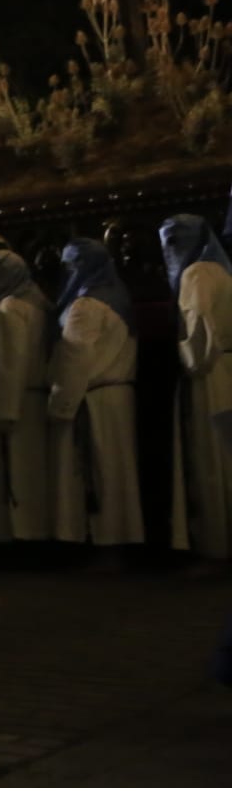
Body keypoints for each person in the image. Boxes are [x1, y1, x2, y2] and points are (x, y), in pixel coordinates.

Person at [48, 238, 142, 554]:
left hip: (92, 398)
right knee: (116, 473)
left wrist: (62, 404)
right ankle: (116, 542)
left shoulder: (85, 306)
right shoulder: (118, 297)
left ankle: (104, 545)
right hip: (116, 397)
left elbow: (75, 358)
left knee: (98, 472)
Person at [161, 216, 232, 569]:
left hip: (210, 373)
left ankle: (214, 549)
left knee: (208, 460)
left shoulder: (197, 274)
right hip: (225, 368)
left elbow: (199, 331)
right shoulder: (221, 269)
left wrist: (186, 361)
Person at [0, 251, 54, 547]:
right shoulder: (35, 303)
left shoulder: (10, 307)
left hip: (15, 402)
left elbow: (10, 363)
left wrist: (6, 410)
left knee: (16, 473)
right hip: (32, 399)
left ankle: (20, 539)